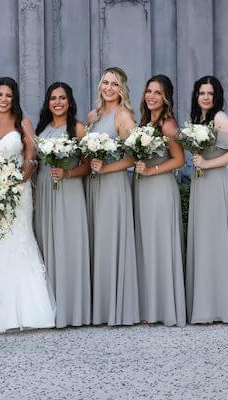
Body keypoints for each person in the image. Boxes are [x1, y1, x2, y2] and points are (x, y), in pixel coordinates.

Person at [0, 77, 56, 332]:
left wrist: (14, 180)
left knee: (19, 240)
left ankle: (29, 312)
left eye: (8, 95)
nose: (3, 99)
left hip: (18, 192)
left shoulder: (23, 123)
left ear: (14, 98)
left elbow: (30, 159)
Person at [186, 75, 228, 324]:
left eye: (210, 93)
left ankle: (220, 308)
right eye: (202, 92)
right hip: (199, 185)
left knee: (216, 243)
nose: (206, 97)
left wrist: (209, 163)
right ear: (196, 95)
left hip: (215, 184)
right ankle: (204, 308)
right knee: (203, 243)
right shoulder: (194, 120)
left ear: (217, 96)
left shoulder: (220, 118)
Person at [33, 82, 91, 328]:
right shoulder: (41, 129)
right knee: (47, 243)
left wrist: (67, 174)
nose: (58, 102)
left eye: (62, 98)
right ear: (48, 102)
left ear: (70, 102)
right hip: (46, 189)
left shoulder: (77, 128)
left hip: (69, 189)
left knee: (69, 245)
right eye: (53, 98)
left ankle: (72, 310)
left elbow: (88, 165)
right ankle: (49, 308)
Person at [86, 67, 139, 326]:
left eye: (114, 84)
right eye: (105, 82)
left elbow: (134, 156)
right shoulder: (93, 116)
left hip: (113, 184)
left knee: (111, 240)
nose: (108, 87)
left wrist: (106, 167)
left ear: (122, 89)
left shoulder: (123, 115)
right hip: (95, 184)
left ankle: (115, 308)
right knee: (97, 240)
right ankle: (99, 307)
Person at [133, 75, 186, 327]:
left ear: (166, 98)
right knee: (146, 246)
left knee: (161, 246)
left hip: (160, 188)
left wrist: (151, 171)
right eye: (148, 91)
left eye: (157, 92)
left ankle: (166, 309)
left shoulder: (167, 124)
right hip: (142, 188)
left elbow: (179, 160)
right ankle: (150, 308)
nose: (151, 96)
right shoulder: (144, 122)